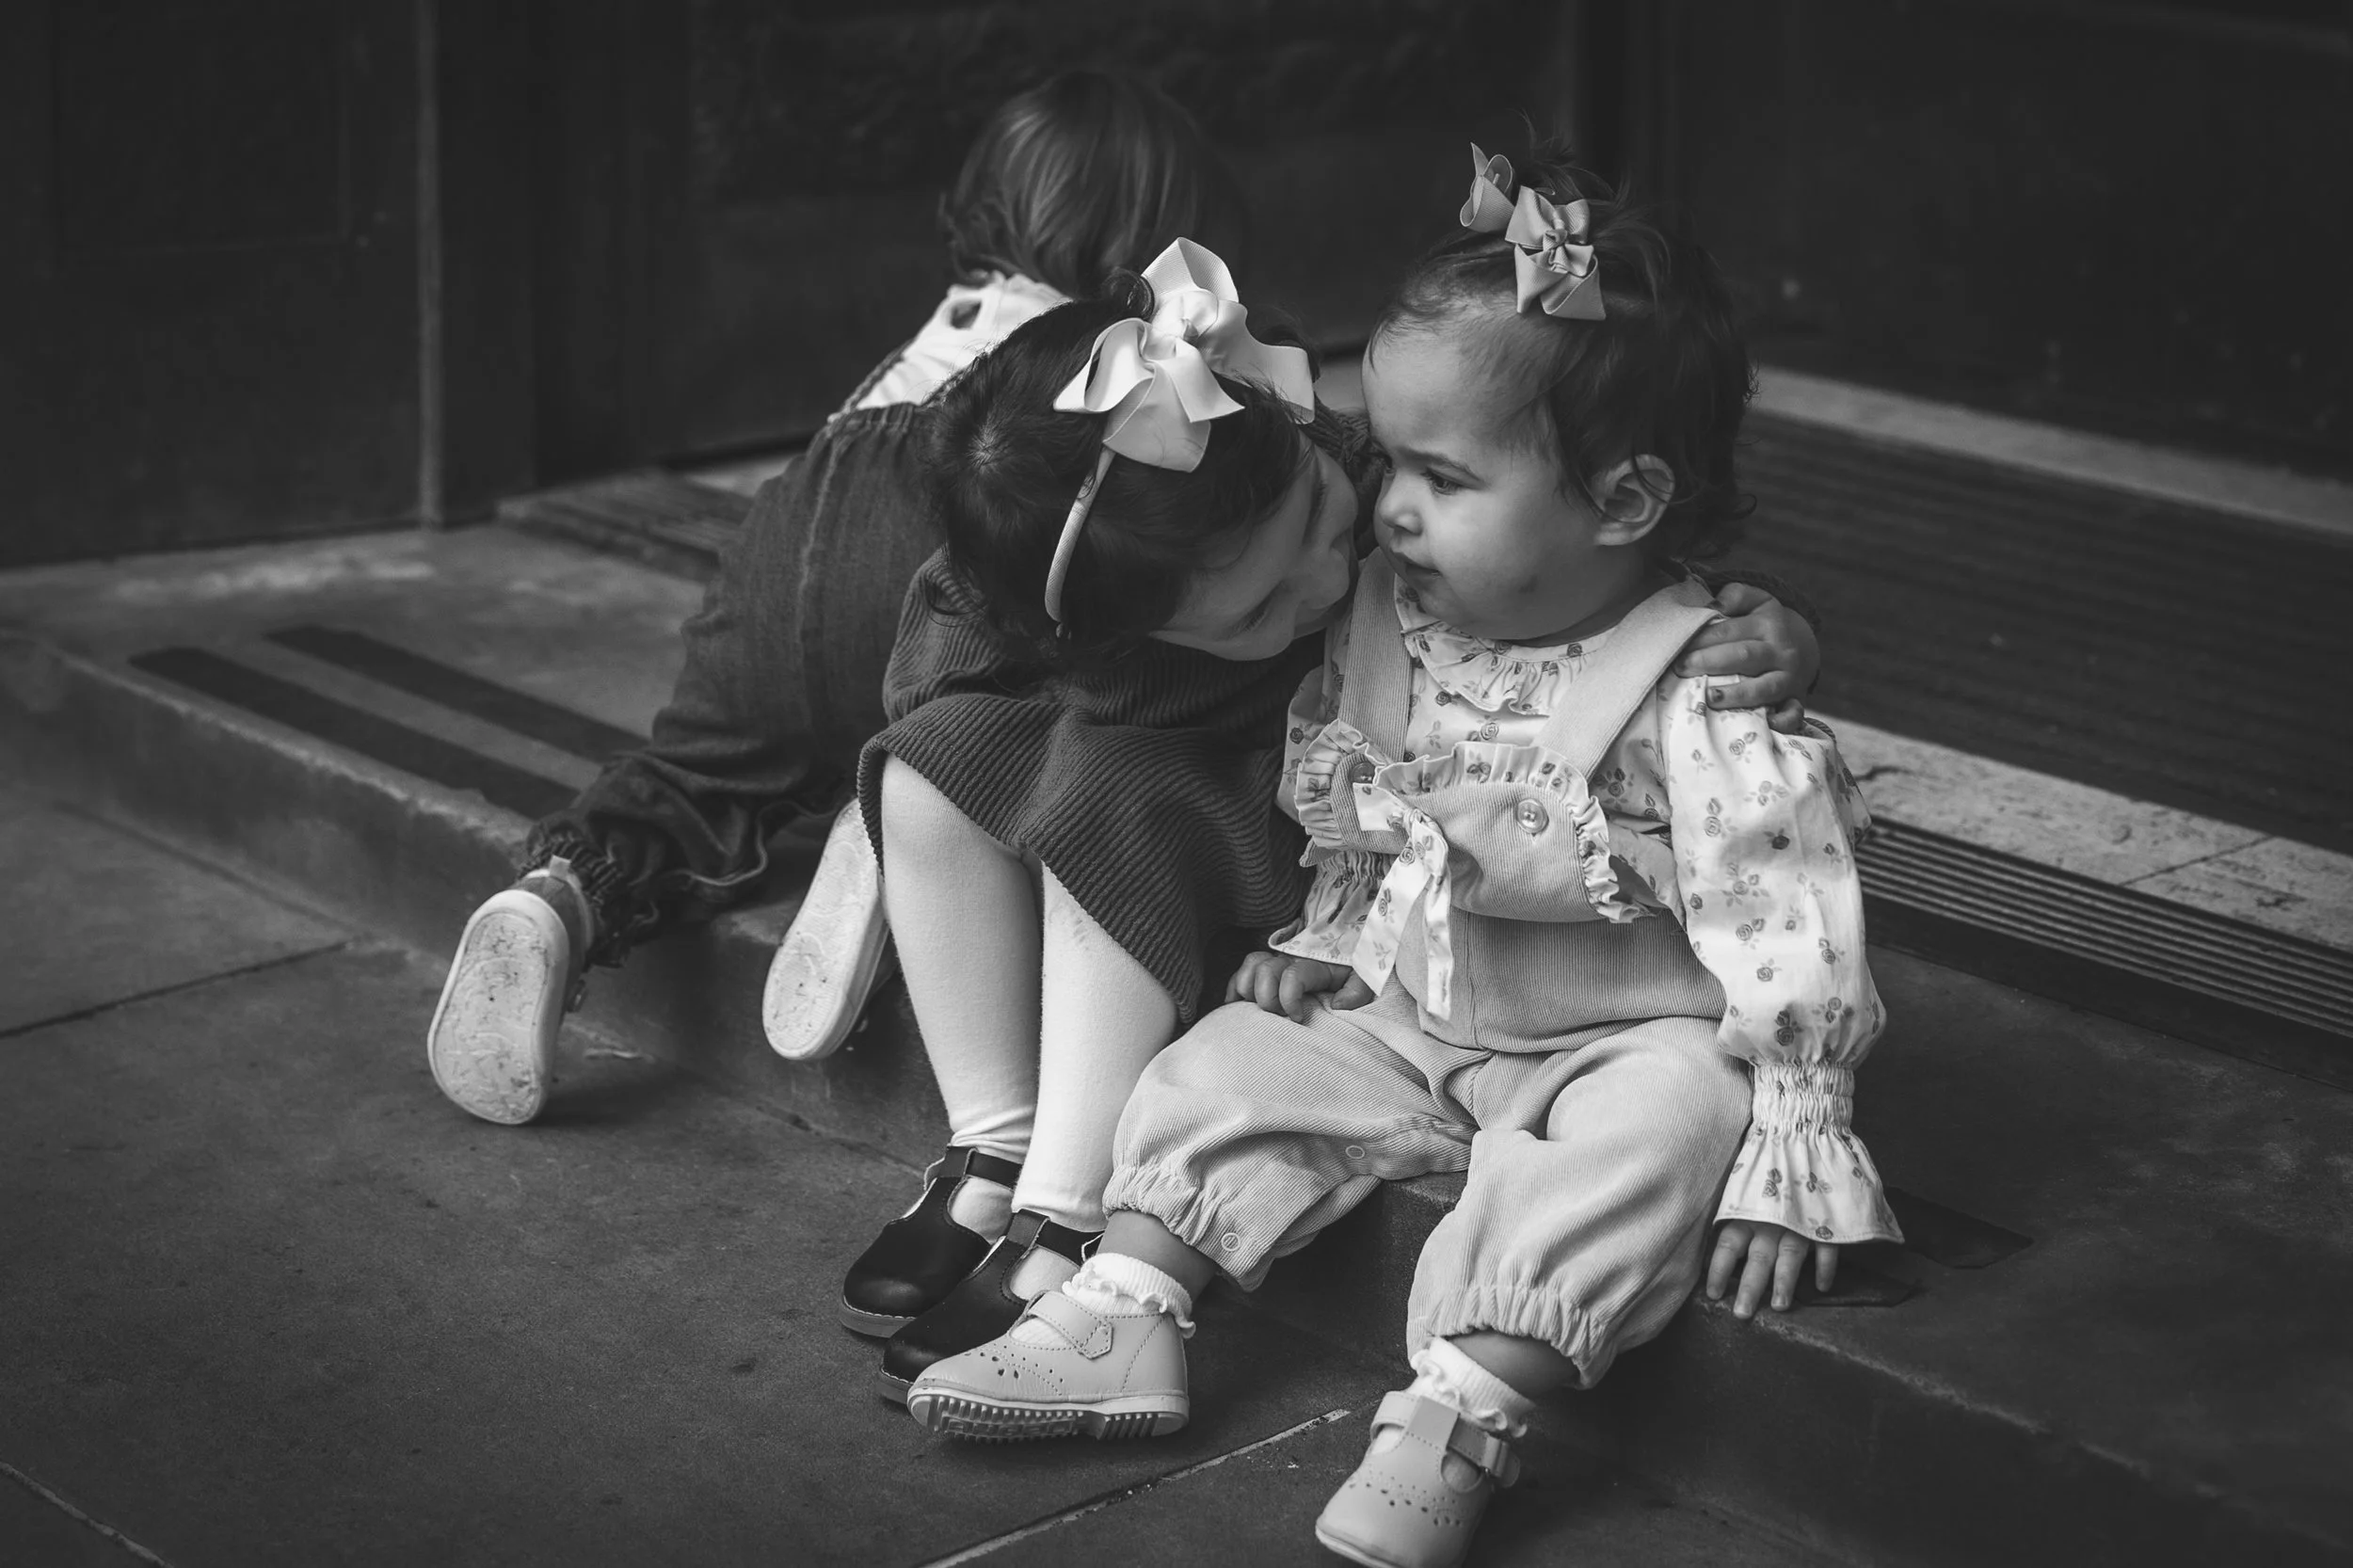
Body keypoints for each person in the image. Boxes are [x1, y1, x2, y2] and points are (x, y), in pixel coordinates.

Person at [898, 150, 1901, 1568]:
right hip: (1416, 1001)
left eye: (1442, 475)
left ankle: (1465, 1410)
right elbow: (1366, 798)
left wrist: (1798, 1124)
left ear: (1622, 504)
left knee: (1659, 1133)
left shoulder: (1695, 690)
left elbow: (1792, 917)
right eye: (1397, 459)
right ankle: (1127, 1303)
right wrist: (1330, 932)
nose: (1390, 506)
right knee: (1222, 1062)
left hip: (1623, 1026)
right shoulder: (1392, 612)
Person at [424, 71, 1251, 1124]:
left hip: (787, 533)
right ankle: (907, 802)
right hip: (929, 547)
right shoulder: (1094, 357)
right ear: (1152, 238)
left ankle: (557, 896)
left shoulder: (942, 324)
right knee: (1090, 659)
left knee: (700, 771)